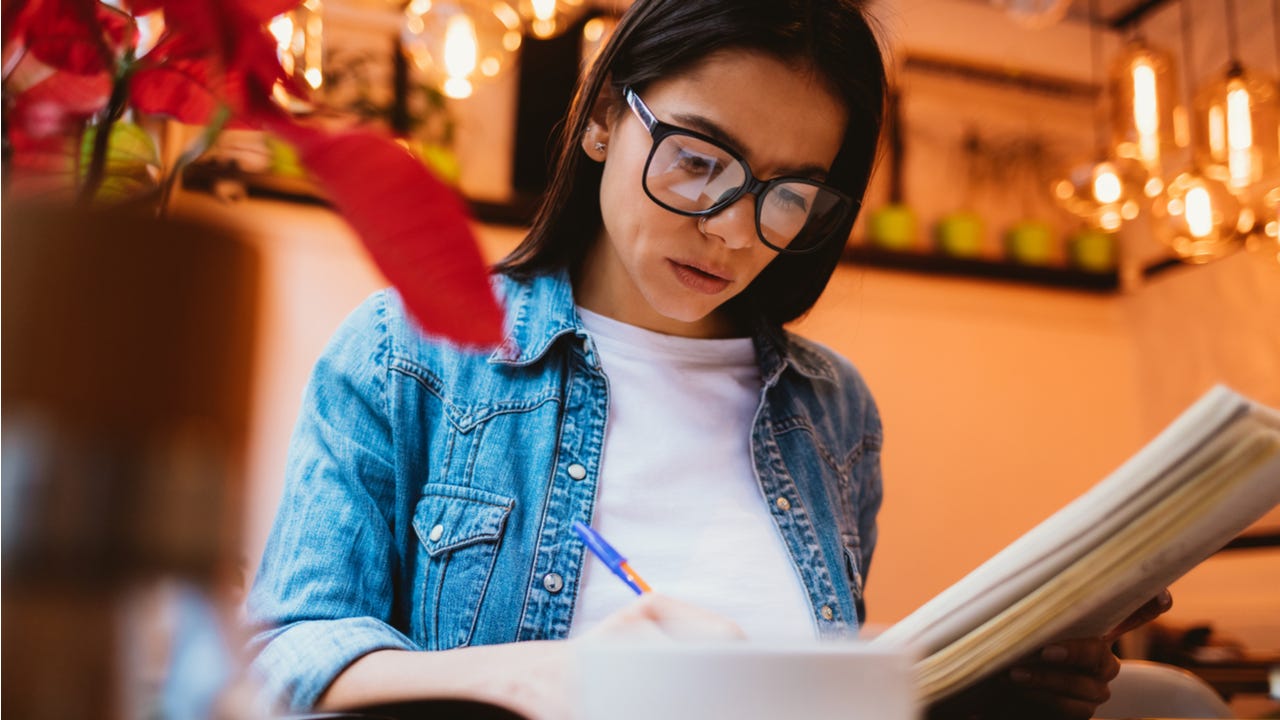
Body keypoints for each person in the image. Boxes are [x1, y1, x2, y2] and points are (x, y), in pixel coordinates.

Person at [243, 1, 1171, 718]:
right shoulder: (412, 354)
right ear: (605, 116)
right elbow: (290, 651)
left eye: (788, 193)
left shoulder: (833, 409)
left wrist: (1017, 679)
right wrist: (545, 675)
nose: (731, 230)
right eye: (698, 160)